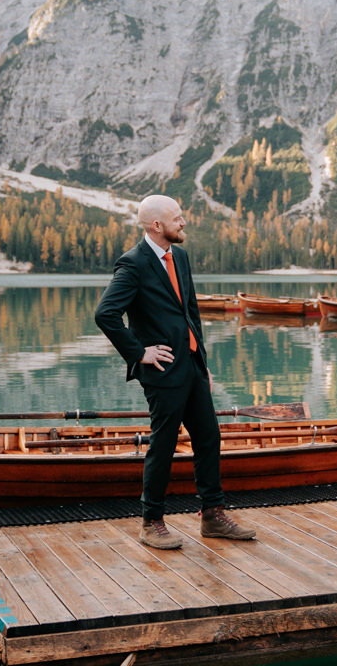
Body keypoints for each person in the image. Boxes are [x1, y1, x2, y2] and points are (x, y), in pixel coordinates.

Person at [94, 194, 256, 550]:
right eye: (177, 218)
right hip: (163, 370)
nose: (183, 223)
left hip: (192, 368)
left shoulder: (179, 256)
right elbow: (105, 315)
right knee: (163, 445)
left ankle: (212, 516)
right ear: (156, 225)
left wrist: (204, 365)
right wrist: (140, 352)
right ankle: (151, 522)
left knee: (209, 438)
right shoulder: (133, 264)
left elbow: (191, 312)